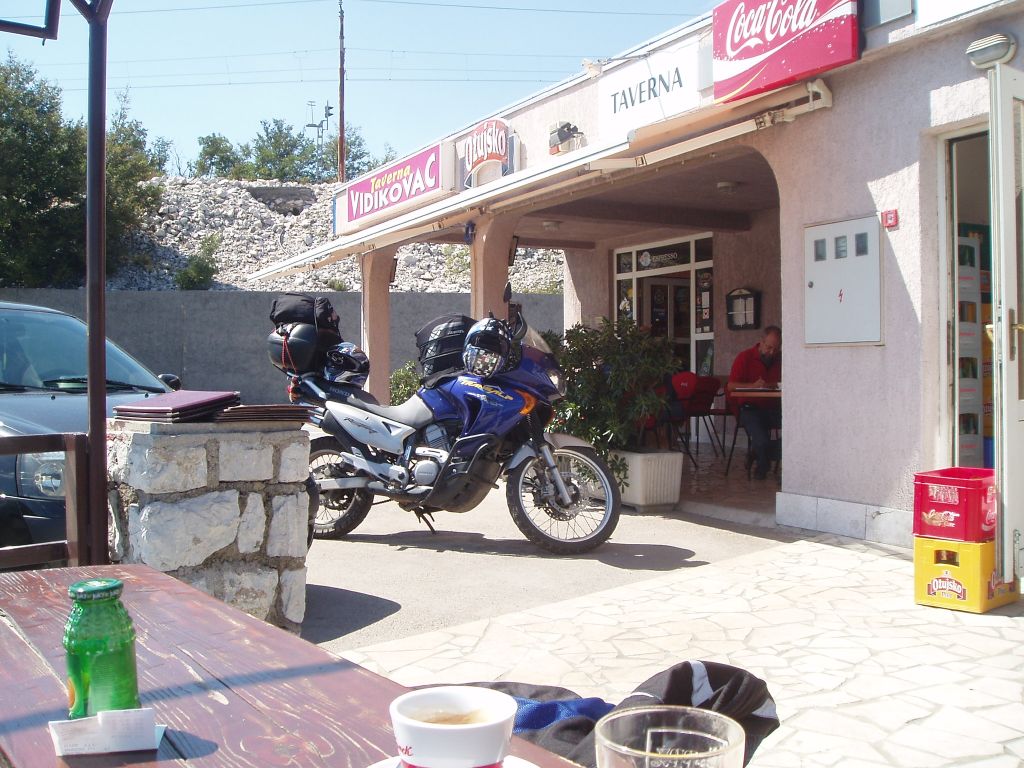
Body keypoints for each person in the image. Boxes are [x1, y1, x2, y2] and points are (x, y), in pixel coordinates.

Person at [727, 326, 781, 480]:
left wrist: (774, 384)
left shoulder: (780, 359)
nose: (772, 352)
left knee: (796, 433)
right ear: (761, 342)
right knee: (762, 440)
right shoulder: (745, 357)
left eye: (776, 349)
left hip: (773, 408)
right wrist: (753, 386)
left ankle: (756, 453)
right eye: (769, 347)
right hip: (750, 409)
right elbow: (730, 386)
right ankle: (762, 465)